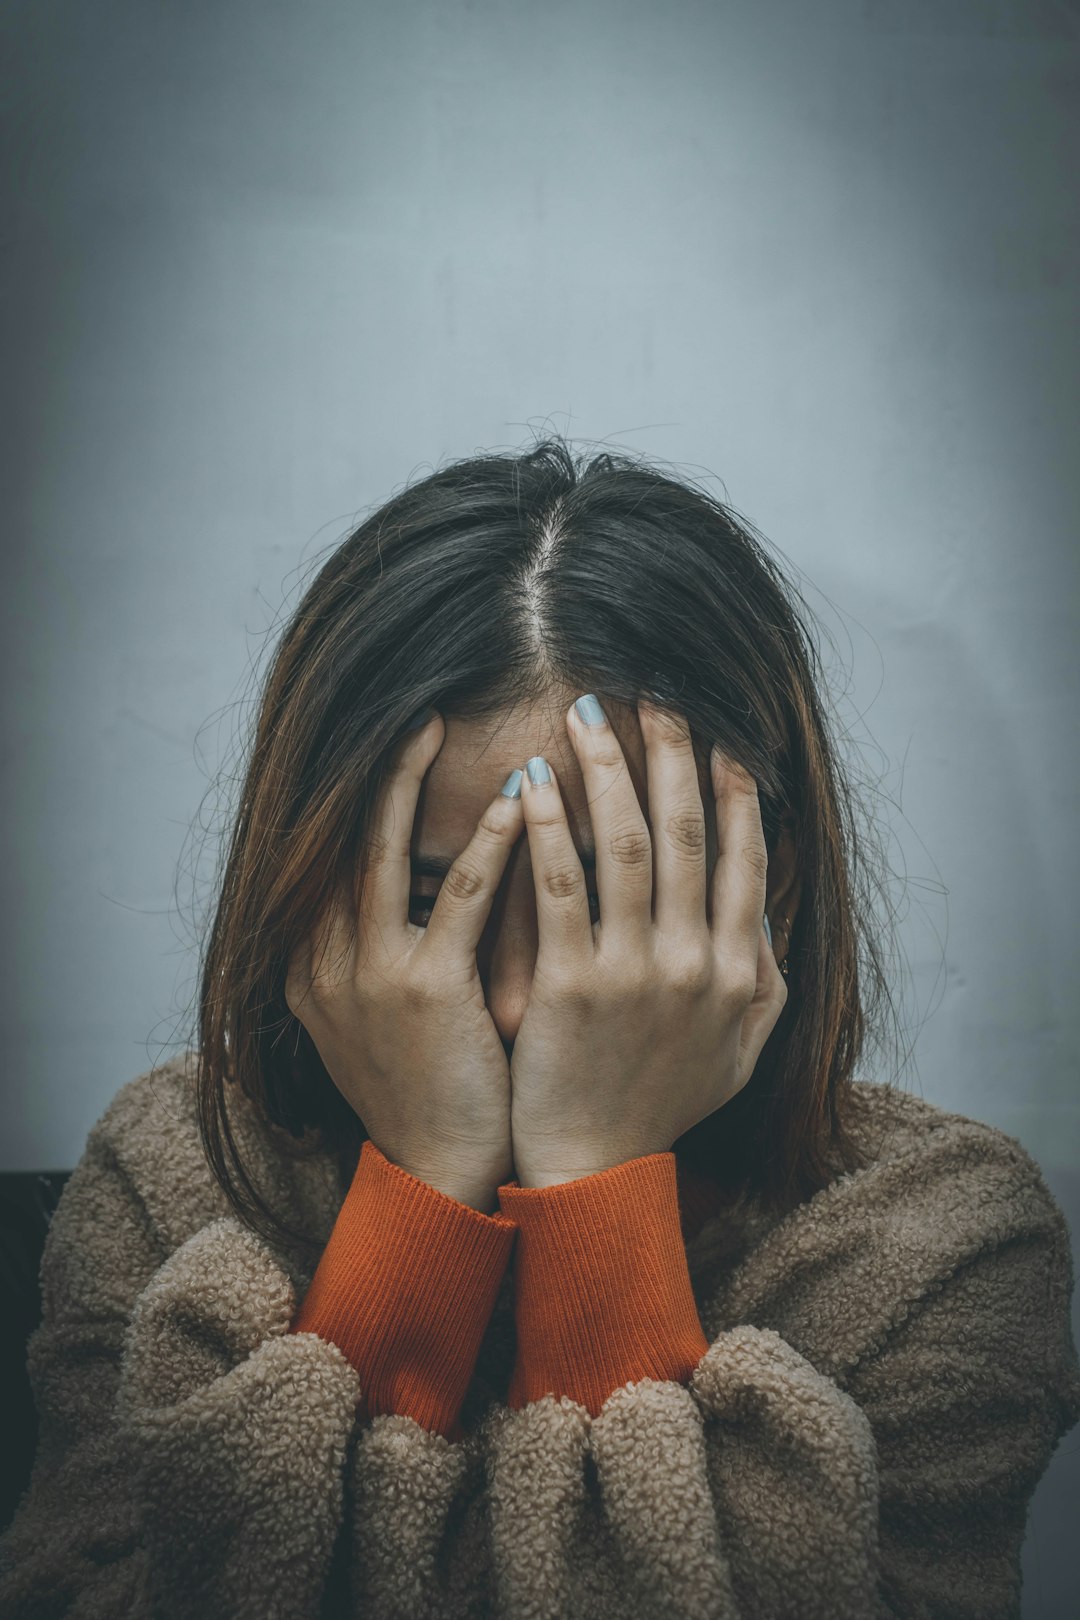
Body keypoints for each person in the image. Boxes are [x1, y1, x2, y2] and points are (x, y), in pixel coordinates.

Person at [1, 435, 1077, 1619]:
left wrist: (596, 1184)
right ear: (299, 884)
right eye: (430, 900)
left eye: (602, 907)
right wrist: (420, 1202)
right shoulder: (174, 1175)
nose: (513, 1003)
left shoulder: (940, 1243)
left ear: (765, 888)